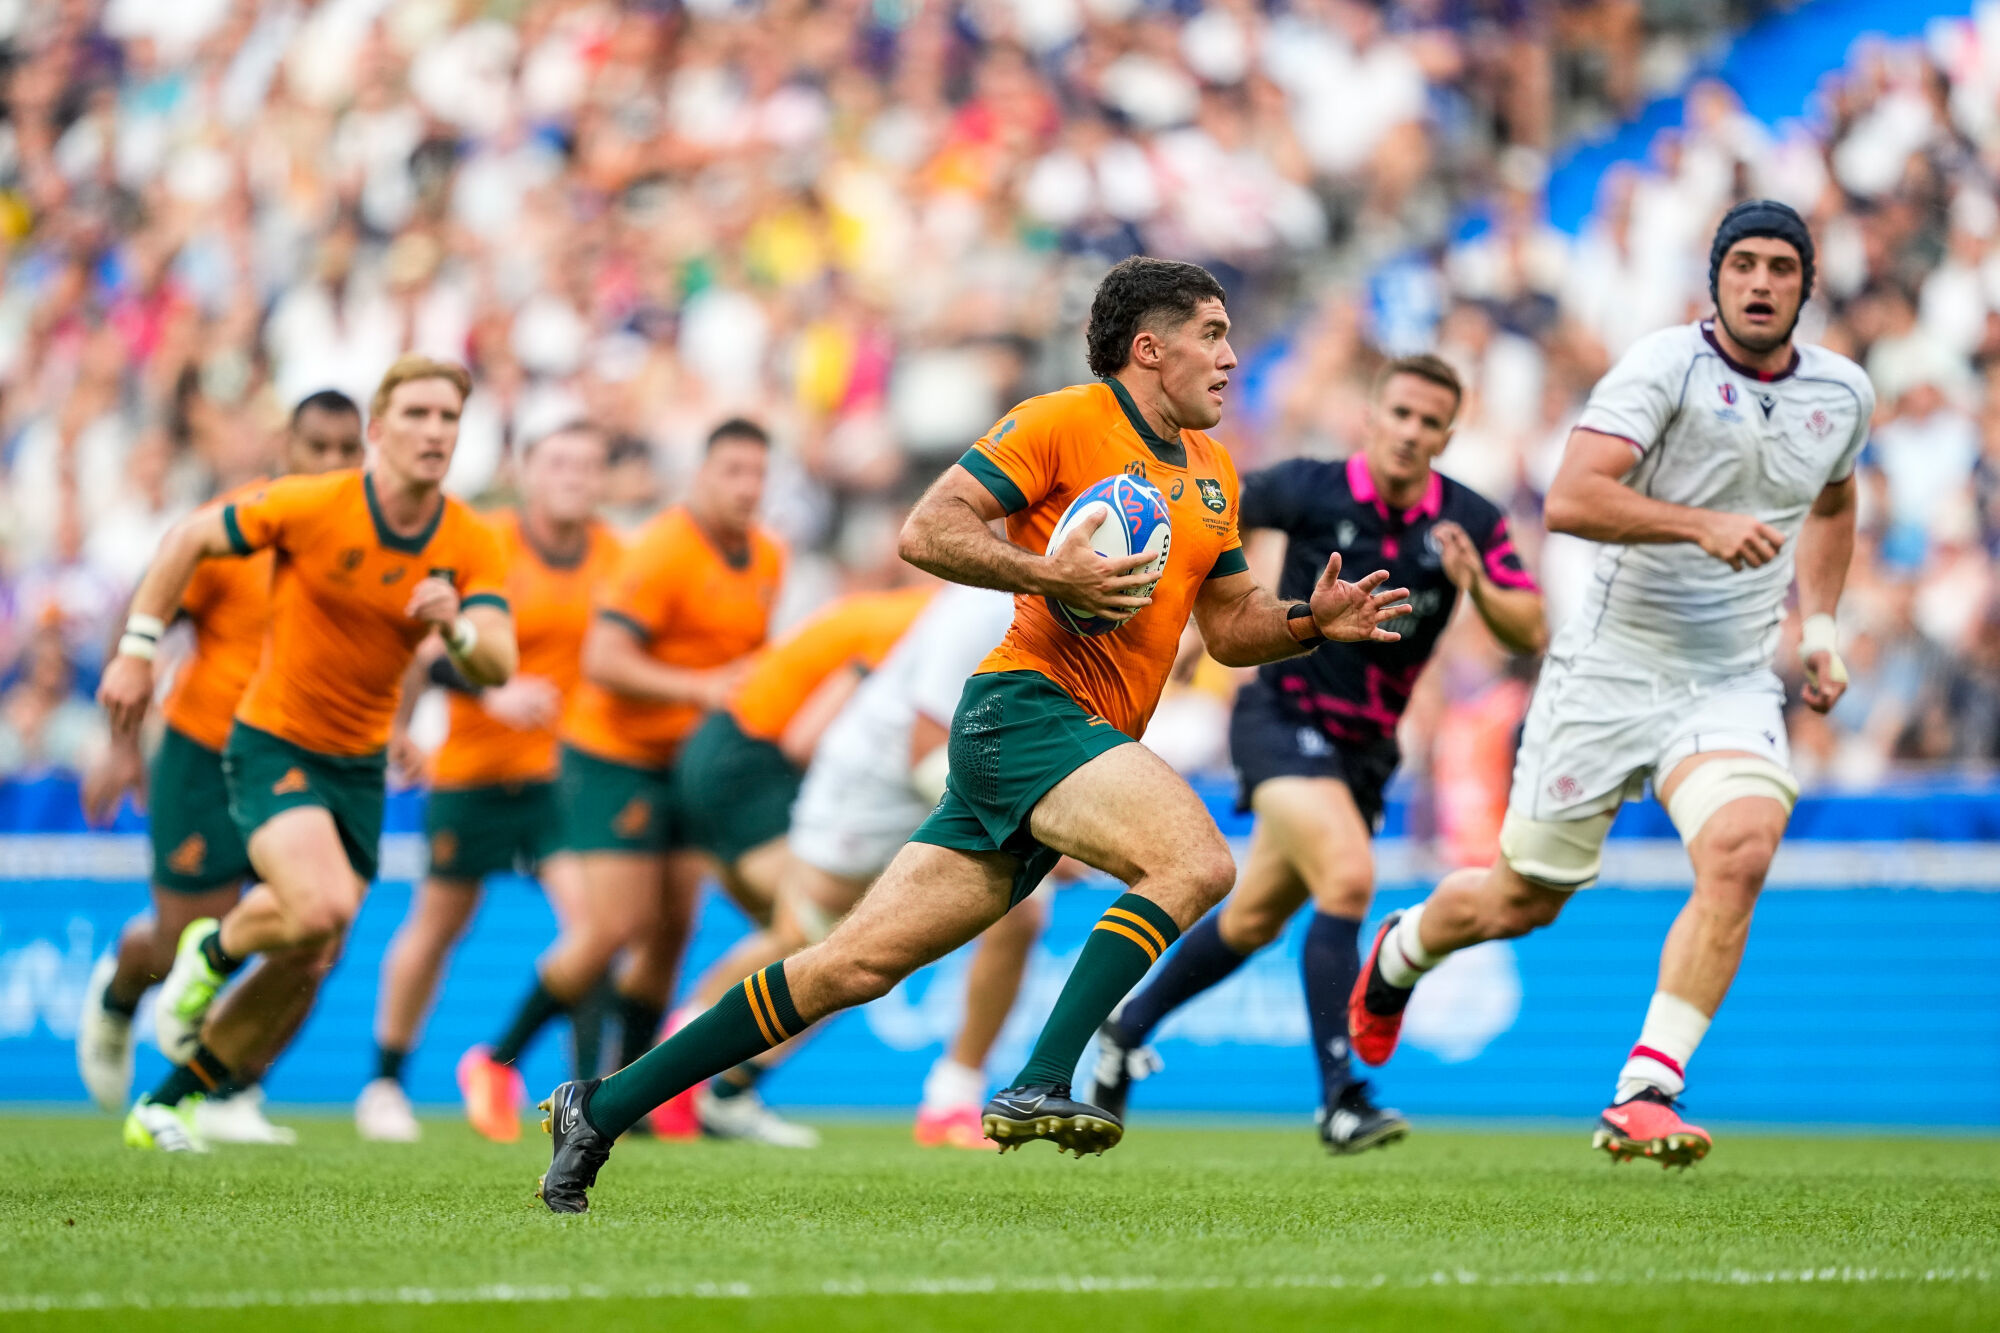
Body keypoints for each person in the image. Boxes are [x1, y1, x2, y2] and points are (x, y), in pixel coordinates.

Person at [530, 256, 1409, 1212]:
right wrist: (1047, 574)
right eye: (1214, 335)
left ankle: (599, 1106)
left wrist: (1310, 620)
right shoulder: (1060, 421)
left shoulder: (1212, 470)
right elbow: (925, 529)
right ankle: (1042, 1077)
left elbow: (1232, 626)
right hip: (1025, 708)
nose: (1233, 357)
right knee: (1193, 860)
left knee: (848, 966)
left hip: (1071, 736)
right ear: (1150, 348)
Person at [1348, 200, 1871, 1168]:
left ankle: (1646, 1088)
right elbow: (1571, 499)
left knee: (1741, 849)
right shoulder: (1663, 366)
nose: (1760, 283)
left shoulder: (1841, 392)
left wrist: (1824, 627)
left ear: (1806, 285)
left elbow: (1834, 501)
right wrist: (1701, 525)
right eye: (1744, 264)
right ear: (1715, 279)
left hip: (1726, 676)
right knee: (1519, 900)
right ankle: (1401, 949)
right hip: (1609, 668)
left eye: (1781, 268)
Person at [1092, 355, 1546, 1153]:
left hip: (1364, 751)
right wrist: (1198, 615)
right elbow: (1207, 512)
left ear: (1447, 435)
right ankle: (1340, 1096)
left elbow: (1530, 627)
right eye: (1399, 413)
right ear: (1371, 416)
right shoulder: (1310, 486)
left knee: (1255, 918)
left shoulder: (1470, 521)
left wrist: (1478, 583)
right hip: (1282, 713)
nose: (1410, 431)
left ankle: (1124, 1030)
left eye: (1429, 421)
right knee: (1347, 877)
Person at [99, 355, 517, 1152]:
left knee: (314, 948)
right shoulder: (316, 503)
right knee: (318, 907)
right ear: (379, 430)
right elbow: (189, 536)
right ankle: (207, 955)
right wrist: (137, 649)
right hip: (274, 740)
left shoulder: (469, 538)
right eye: (418, 414)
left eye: (448, 417)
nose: (435, 431)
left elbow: (499, 658)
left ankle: (168, 1101)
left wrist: (457, 627)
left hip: (358, 765)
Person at [456, 418, 782, 1143]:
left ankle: (630, 1094)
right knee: (613, 925)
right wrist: (700, 689)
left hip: (688, 762)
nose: (746, 487)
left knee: (673, 929)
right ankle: (496, 1061)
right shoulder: (663, 550)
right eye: (732, 470)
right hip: (613, 755)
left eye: (758, 473)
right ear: (700, 475)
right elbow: (603, 660)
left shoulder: (769, 556)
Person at [75, 391, 365, 1145]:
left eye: (347, 449)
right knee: (184, 943)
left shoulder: (370, 538)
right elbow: (144, 612)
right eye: (318, 446)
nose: (333, 463)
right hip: (207, 751)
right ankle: (122, 984)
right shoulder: (234, 527)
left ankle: (233, 1087)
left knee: (319, 934)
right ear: (286, 450)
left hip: (306, 759)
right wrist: (121, 744)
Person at [655, 585, 1037, 1150]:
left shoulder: (960, 610)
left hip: (775, 761)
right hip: (820, 776)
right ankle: (681, 1073)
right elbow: (808, 738)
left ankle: (950, 1099)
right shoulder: (951, 619)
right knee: (818, 938)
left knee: (996, 917)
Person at [355, 423, 622, 1142]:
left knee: (594, 929)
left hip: (561, 778)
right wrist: (483, 695)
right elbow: (427, 646)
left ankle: (583, 1100)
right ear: (527, 472)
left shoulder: (616, 555)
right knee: (439, 924)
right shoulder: (487, 544)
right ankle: (384, 1083)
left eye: (588, 463)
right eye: (559, 461)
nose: (574, 475)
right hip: (473, 771)